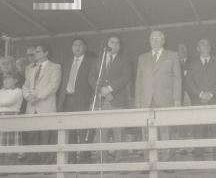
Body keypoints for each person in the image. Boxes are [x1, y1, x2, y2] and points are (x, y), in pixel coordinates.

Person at [135, 30, 181, 162]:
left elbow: (177, 79)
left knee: (166, 132)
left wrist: (177, 99)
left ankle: (167, 162)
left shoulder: (172, 55)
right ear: (149, 41)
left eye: (158, 38)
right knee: (146, 134)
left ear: (163, 40)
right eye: (152, 38)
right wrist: (137, 101)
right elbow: (139, 80)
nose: (155, 41)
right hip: (146, 101)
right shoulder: (142, 58)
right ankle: (148, 161)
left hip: (166, 100)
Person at [89, 34, 131, 163]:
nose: (115, 45)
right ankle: (102, 161)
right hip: (100, 100)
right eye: (112, 42)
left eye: (118, 43)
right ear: (107, 44)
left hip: (117, 100)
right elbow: (91, 77)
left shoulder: (125, 60)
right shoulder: (98, 60)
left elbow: (125, 77)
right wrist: (100, 89)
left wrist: (110, 89)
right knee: (101, 132)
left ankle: (120, 161)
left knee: (119, 132)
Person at [185, 39, 216, 160]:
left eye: (208, 44)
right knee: (198, 130)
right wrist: (200, 94)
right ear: (197, 48)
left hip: (215, 101)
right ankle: (198, 158)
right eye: (202, 44)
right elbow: (188, 83)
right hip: (198, 102)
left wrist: (211, 94)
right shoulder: (191, 65)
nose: (206, 46)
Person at [22, 44, 61, 164]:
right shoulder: (30, 68)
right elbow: (25, 85)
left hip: (45, 105)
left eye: (38, 52)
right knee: (32, 134)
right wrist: (28, 96)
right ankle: (32, 160)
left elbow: (53, 86)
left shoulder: (55, 67)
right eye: (34, 52)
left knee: (46, 135)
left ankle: (46, 160)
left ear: (46, 52)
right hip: (31, 105)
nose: (34, 54)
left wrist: (37, 97)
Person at [57, 37, 95, 163]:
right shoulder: (66, 62)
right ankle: (71, 160)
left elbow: (93, 82)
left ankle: (85, 159)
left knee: (85, 130)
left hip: (83, 100)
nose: (77, 47)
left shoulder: (92, 61)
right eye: (74, 45)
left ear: (85, 47)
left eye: (80, 45)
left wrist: (91, 102)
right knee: (70, 131)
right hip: (67, 100)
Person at [0, 73, 23, 165]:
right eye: (4, 79)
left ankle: (10, 166)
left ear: (15, 80)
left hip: (11, 117)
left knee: (10, 143)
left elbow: (9, 102)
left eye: (8, 79)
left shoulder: (18, 91)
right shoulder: (1, 91)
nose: (5, 81)